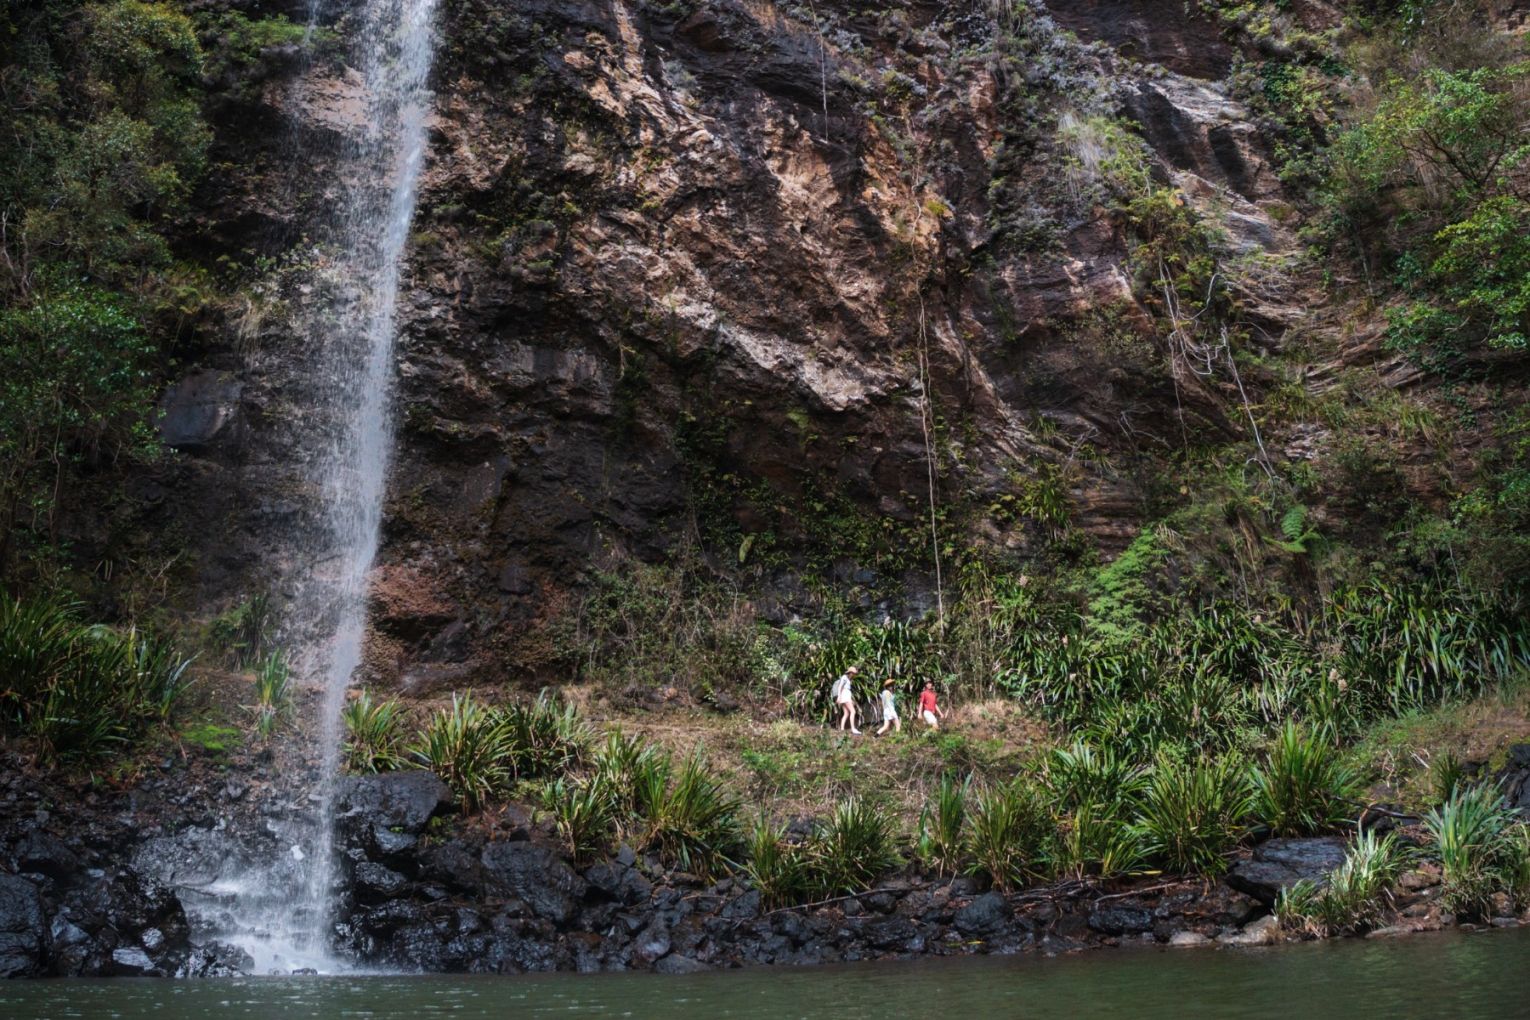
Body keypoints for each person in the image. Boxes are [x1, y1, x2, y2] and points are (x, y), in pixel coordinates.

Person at [831, 666, 861, 734]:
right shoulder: (844, 677)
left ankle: (842, 729)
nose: (854, 675)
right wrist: (839, 697)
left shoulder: (848, 679)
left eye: (854, 674)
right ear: (850, 673)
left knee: (846, 713)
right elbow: (840, 687)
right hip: (844, 695)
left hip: (846, 695)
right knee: (853, 711)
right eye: (853, 673)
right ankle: (853, 728)